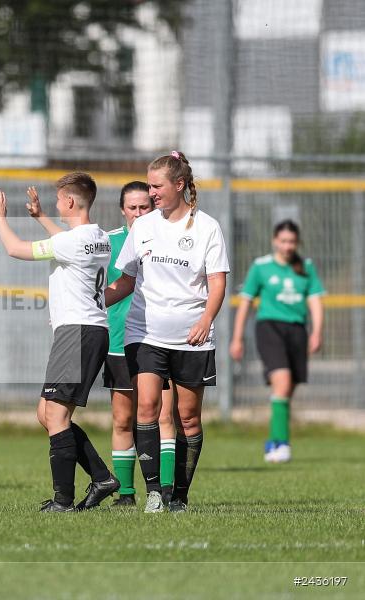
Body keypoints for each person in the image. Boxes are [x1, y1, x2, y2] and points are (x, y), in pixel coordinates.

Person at [105, 151, 230, 513]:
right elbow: (126, 280)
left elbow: (217, 282)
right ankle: (154, 493)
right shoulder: (143, 227)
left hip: (191, 337)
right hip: (144, 334)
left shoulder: (206, 227)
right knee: (147, 406)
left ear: (179, 185)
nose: (152, 193)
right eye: (149, 186)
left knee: (187, 417)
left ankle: (180, 496)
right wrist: (94, 301)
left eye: (157, 186)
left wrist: (206, 319)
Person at [0, 174, 119, 513]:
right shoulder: (99, 237)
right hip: (88, 331)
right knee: (47, 414)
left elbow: (15, 249)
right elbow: (67, 241)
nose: (56, 205)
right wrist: (41, 218)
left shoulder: (72, 242)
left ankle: (63, 500)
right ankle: (101, 477)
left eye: (58, 200)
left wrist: (0, 219)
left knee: (57, 415)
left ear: (70, 202)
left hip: (77, 332)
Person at [230, 220, 325, 463]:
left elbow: (315, 301)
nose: (287, 246)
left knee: (288, 389)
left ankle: (273, 441)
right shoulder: (261, 267)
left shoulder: (305, 267)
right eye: (283, 241)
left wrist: (316, 332)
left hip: (297, 330)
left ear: (297, 242)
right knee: (282, 383)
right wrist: (237, 338)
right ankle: (282, 444)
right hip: (269, 328)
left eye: (291, 241)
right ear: (274, 241)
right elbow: (245, 303)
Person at [101, 182, 154, 506]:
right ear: (122, 210)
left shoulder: (164, 237)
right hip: (118, 341)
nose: (138, 213)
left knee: (158, 417)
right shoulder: (108, 242)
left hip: (156, 339)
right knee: (123, 418)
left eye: (144, 207)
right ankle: (126, 494)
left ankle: (160, 491)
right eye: (132, 207)